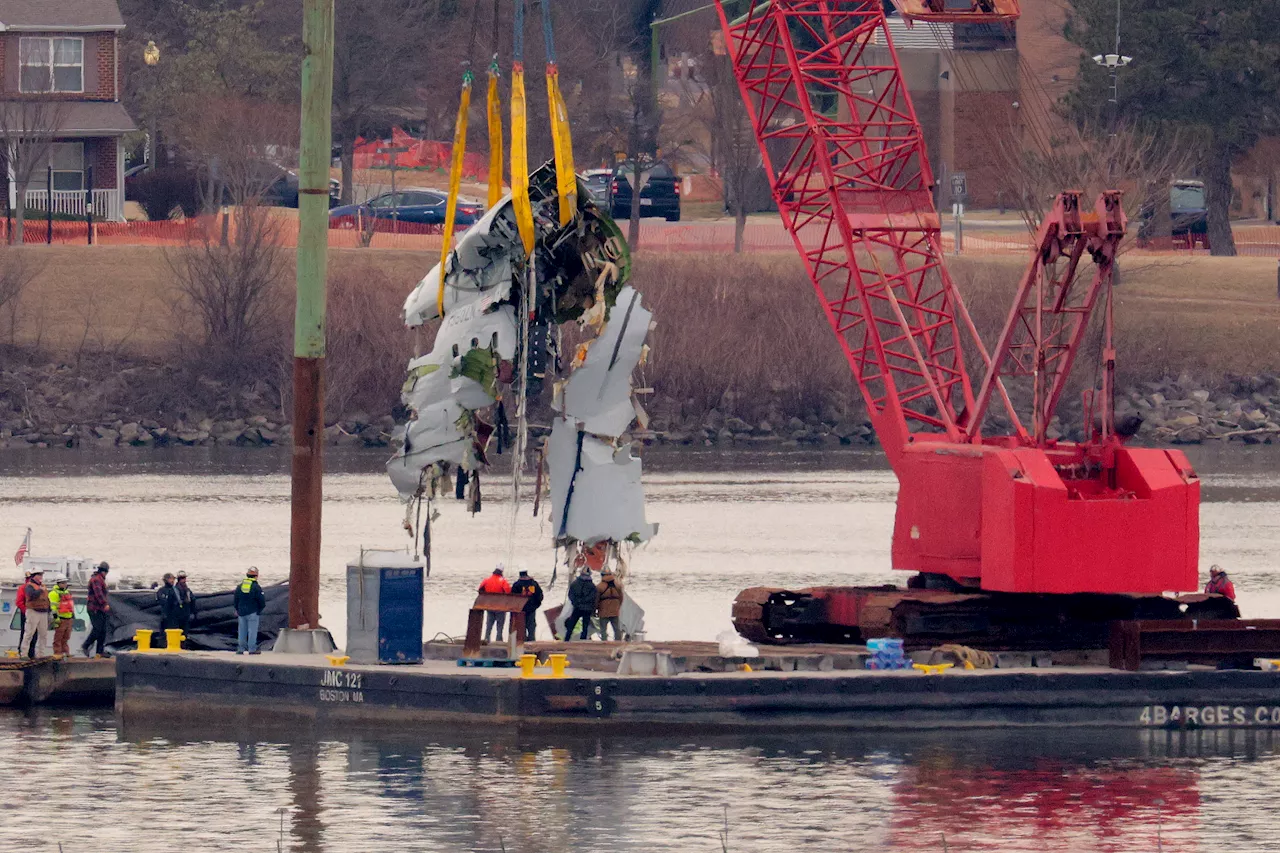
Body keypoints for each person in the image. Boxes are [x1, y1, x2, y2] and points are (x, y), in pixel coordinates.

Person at [81, 562, 111, 658]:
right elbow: (98, 594)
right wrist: (104, 604)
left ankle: (100, 651)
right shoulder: (96, 580)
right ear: (104, 571)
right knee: (98, 629)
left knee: (103, 630)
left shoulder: (99, 579)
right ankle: (85, 645)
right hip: (94, 608)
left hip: (99, 609)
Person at [234, 567, 267, 654]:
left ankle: (241, 649)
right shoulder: (256, 587)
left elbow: (236, 599)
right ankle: (252, 649)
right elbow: (262, 601)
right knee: (252, 631)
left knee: (242, 631)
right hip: (253, 612)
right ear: (256, 576)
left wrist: (237, 609)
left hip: (241, 612)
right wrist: (259, 610)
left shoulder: (240, 586)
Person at [19, 570, 50, 659]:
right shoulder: (29, 586)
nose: (41, 576)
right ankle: (24, 653)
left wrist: (50, 611)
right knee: (29, 632)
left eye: (41, 575)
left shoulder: (43, 586)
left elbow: (47, 599)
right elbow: (31, 595)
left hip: (43, 612)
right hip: (33, 611)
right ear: (34, 576)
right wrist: (40, 590)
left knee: (43, 634)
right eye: (39, 575)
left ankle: (41, 654)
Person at [478, 565, 512, 643]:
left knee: (489, 625)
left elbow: (480, 590)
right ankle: (498, 641)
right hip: (500, 607)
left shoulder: (487, 580)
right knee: (499, 626)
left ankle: (486, 640)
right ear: (501, 572)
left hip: (489, 606)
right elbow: (508, 592)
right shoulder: (503, 581)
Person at [564, 567, 599, 641]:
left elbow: (571, 595)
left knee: (571, 624)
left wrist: (576, 602)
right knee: (585, 626)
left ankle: (566, 639)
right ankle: (583, 641)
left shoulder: (575, 583)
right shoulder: (592, 586)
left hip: (577, 607)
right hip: (587, 608)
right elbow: (593, 597)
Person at [510, 569, 544, 641]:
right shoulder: (534, 584)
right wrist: (535, 606)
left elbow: (512, 598)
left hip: (520, 610)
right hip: (531, 610)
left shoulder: (516, 585)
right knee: (531, 626)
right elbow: (540, 596)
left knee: (521, 627)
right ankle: (532, 643)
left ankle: (522, 643)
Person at [47, 577, 75, 657]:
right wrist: (56, 618)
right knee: (58, 638)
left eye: (65, 583)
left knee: (66, 637)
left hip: (68, 618)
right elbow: (53, 607)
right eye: (63, 583)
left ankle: (66, 653)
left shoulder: (67, 592)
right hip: (60, 619)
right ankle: (57, 653)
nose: (65, 584)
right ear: (58, 583)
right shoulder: (53, 593)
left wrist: (72, 617)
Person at [596, 569, 625, 642]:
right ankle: (618, 643)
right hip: (615, 611)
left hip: (603, 611)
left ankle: (604, 643)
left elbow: (596, 600)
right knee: (616, 629)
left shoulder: (599, 586)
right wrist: (618, 606)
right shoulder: (618, 585)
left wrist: (595, 609)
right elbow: (621, 598)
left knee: (603, 629)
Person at [174, 571, 197, 636]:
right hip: (178, 615)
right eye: (182, 579)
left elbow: (193, 600)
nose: (184, 580)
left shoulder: (187, 590)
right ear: (179, 580)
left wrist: (194, 612)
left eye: (184, 578)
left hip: (186, 614)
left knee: (185, 632)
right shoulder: (175, 590)